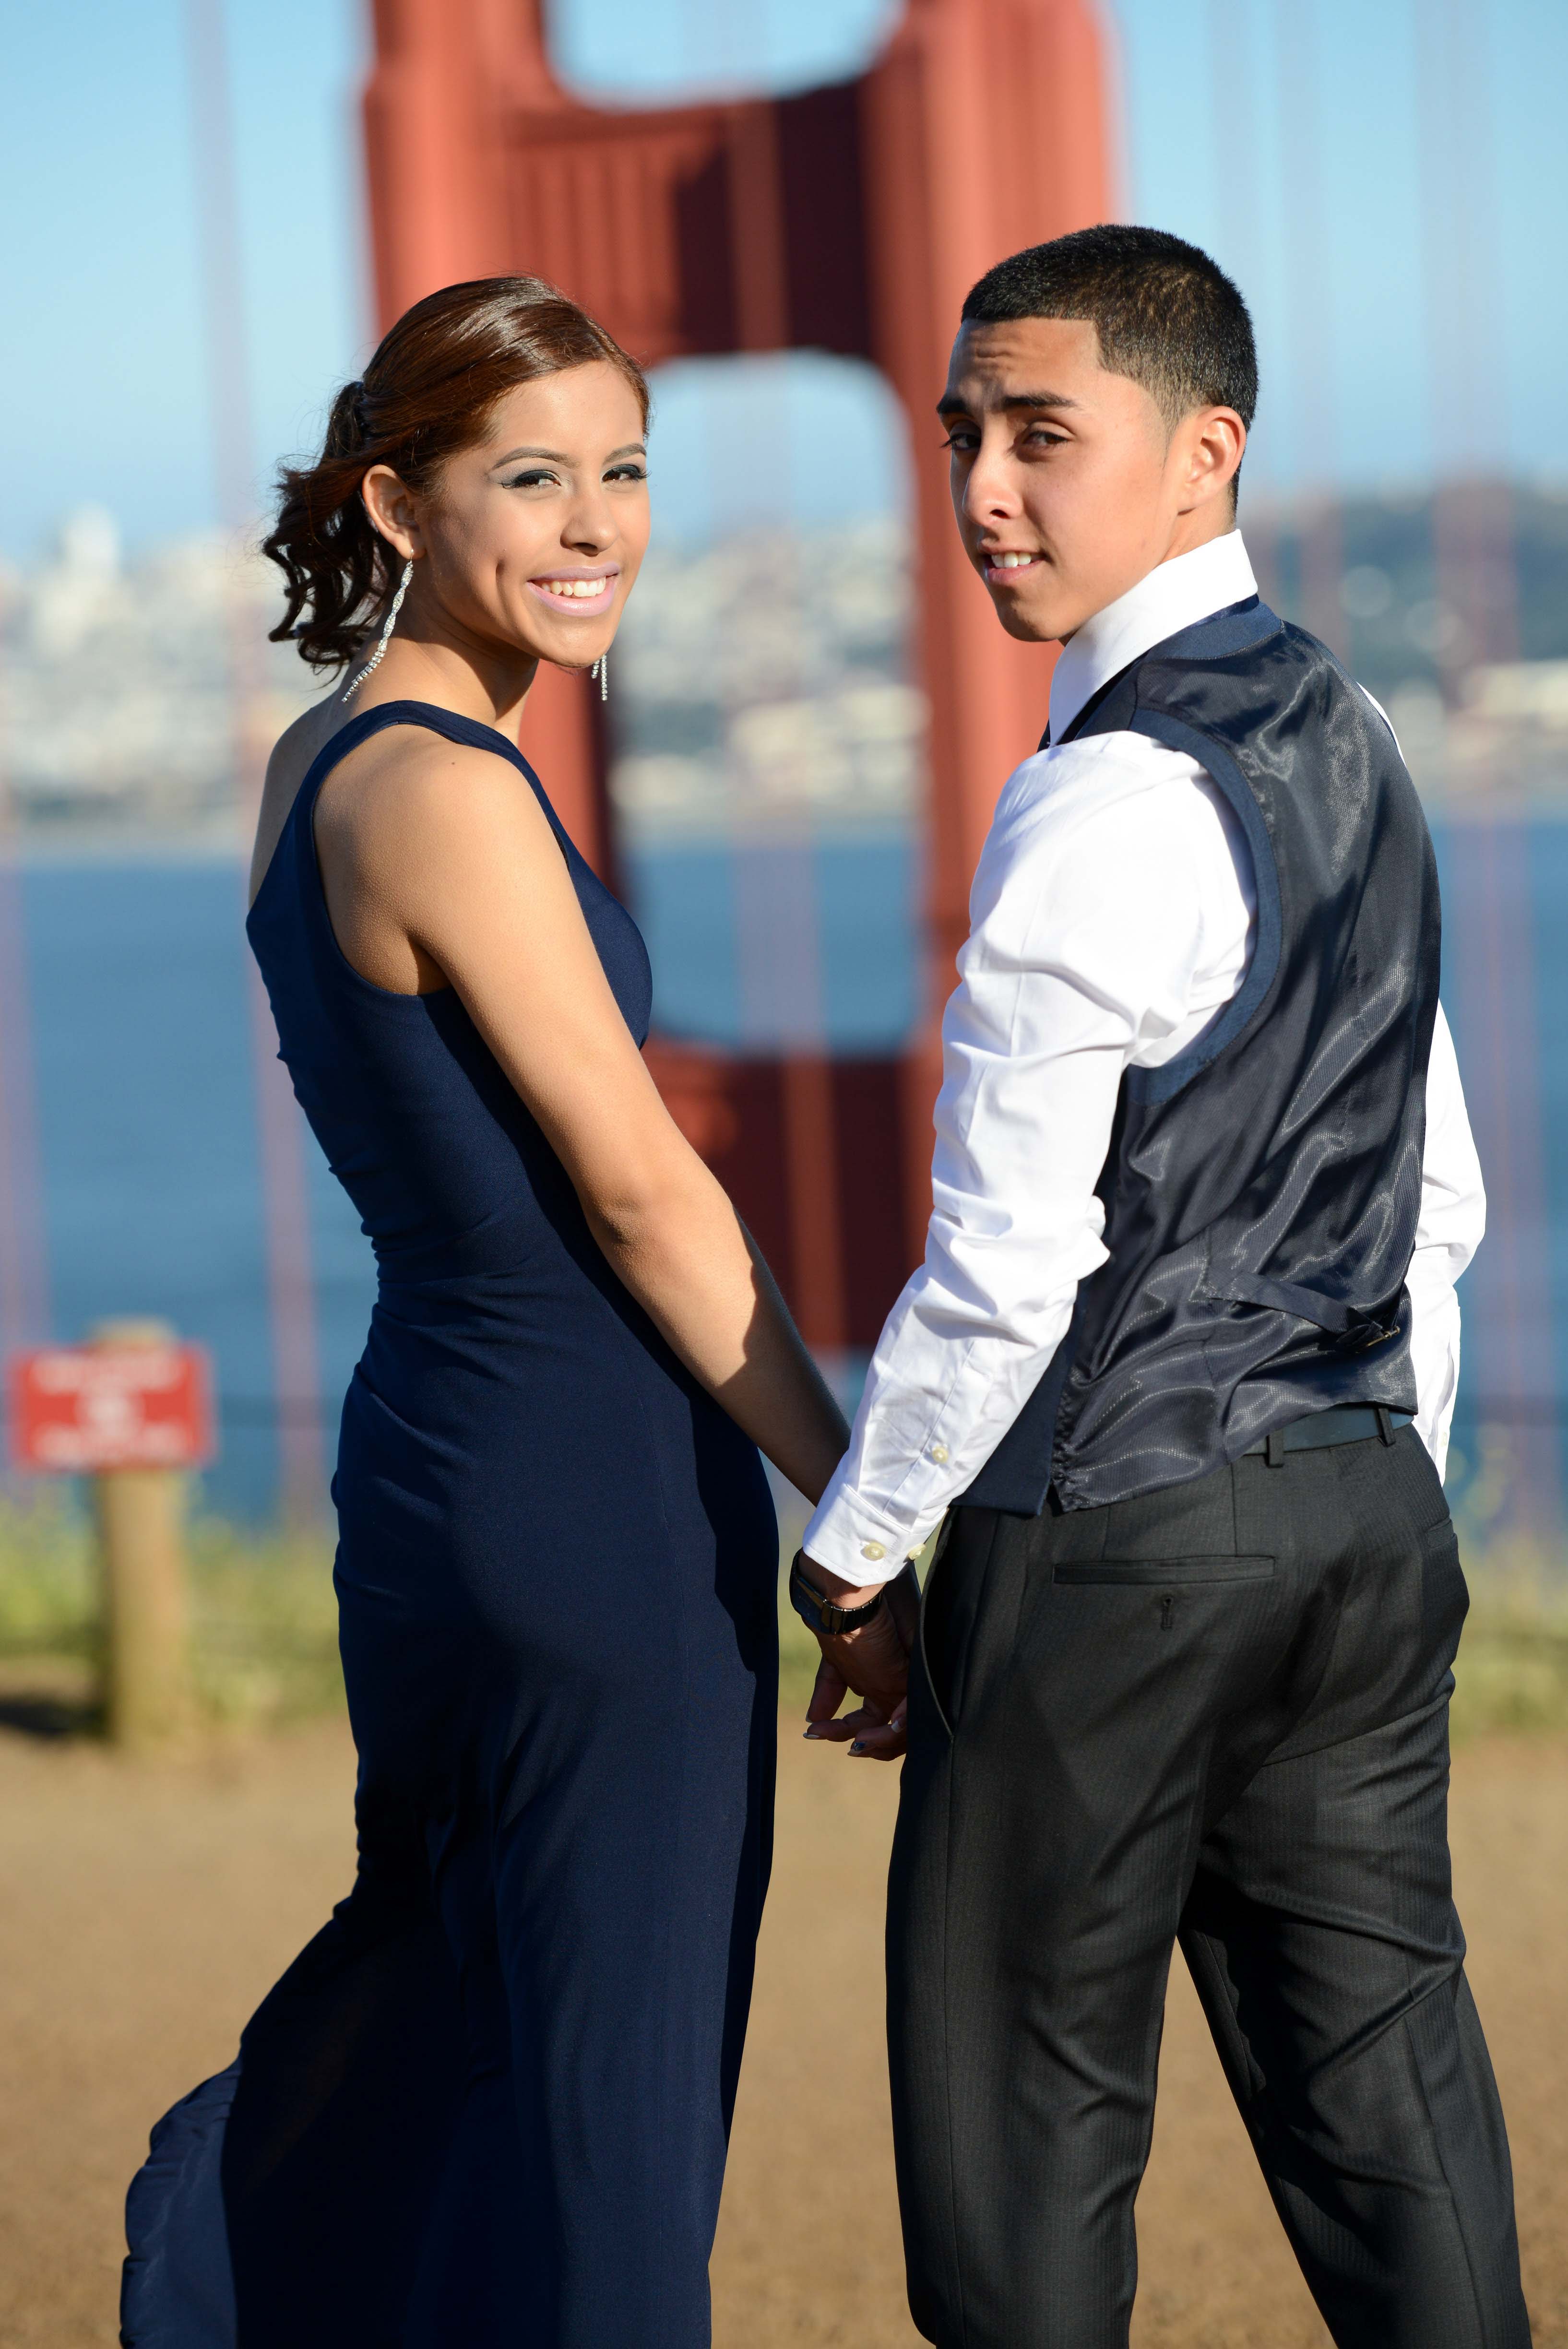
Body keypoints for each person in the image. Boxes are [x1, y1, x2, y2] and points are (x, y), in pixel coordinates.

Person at [792, 226, 1529, 2349]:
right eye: (958, 436)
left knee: (1021, 2140)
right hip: (1360, 1511)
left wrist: (853, 1559)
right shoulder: (1357, 728)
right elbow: (1441, 1195)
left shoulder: (1093, 793)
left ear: (1203, 453)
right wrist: (1367, 1465)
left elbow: (1006, 1264)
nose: (982, 489)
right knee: (1393, 2115)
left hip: (1106, 1540)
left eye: (1041, 433)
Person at [120, 276, 849, 2349]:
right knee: (613, 2121)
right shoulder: (445, 785)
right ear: (398, 498)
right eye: (530, 476)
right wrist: (868, 1523)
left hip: (433, 1480)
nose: (597, 522)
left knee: (465, 2015)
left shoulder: (309, 761)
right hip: (599, 1504)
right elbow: (644, 1201)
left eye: (625, 470)